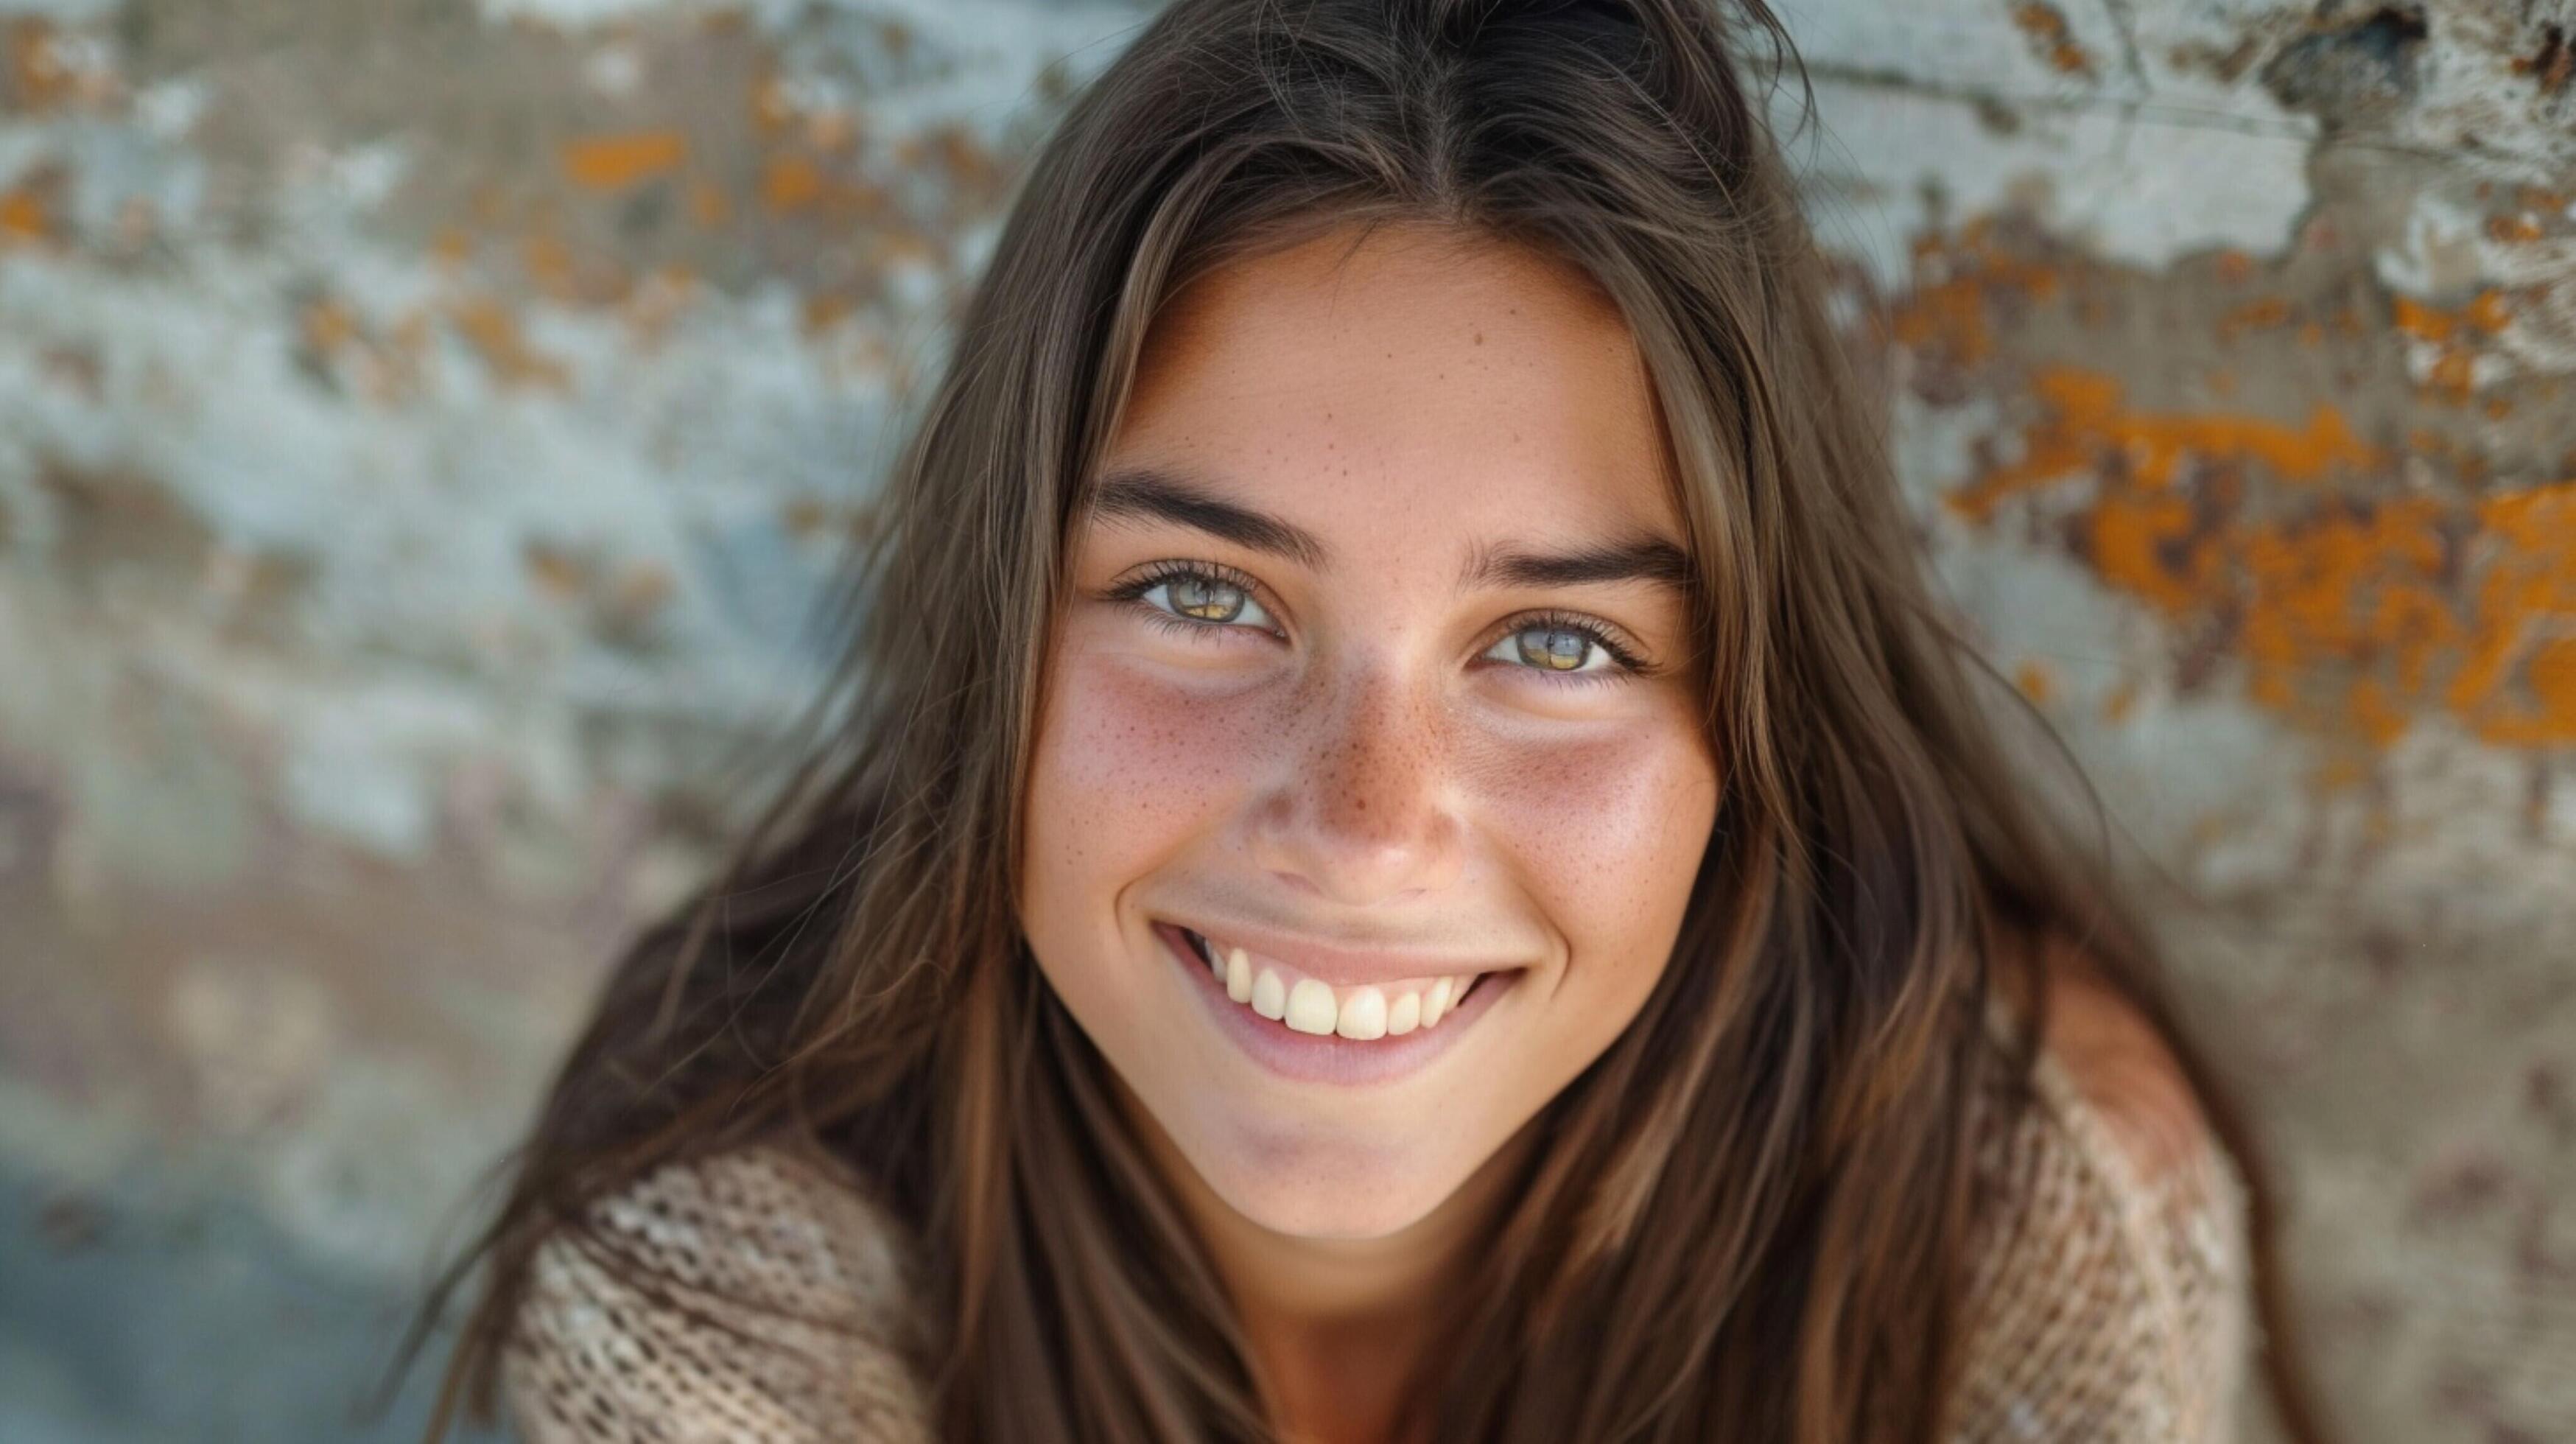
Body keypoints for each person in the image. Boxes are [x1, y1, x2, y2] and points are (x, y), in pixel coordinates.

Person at [392, 1, 2333, 1440]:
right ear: (996, 640)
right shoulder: (717, 1260)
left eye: (1557, 644)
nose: (1361, 822)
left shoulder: (2008, 1210)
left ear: (1749, 721)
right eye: (1204, 598)